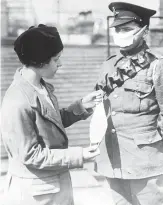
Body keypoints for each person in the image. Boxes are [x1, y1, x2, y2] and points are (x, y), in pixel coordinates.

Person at [0, 24, 103, 205]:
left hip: (52, 188)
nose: (60, 64)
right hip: (35, 194)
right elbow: (31, 155)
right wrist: (80, 155)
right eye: (56, 59)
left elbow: (49, 125)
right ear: (40, 62)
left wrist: (80, 107)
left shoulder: (40, 86)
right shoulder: (16, 101)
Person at [94, 2, 163, 205]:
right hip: (113, 161)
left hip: (146, 163)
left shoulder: (159, 66)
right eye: (117, 29)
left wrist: (161, 154)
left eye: (127, 29)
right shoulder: (109, 65)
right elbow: (100, 108)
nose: (120, 33)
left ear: (144, 31)